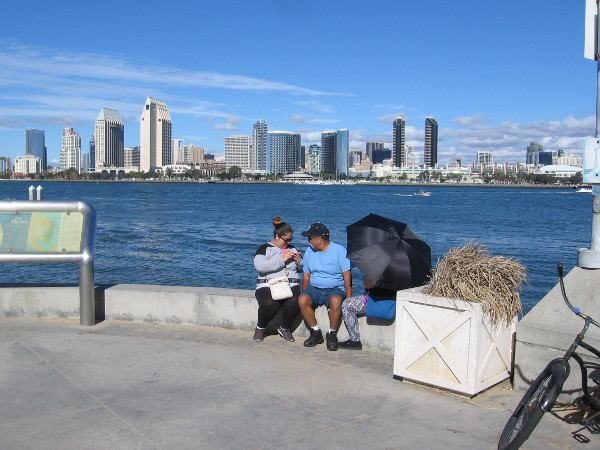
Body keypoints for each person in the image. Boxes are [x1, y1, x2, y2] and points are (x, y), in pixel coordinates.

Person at [298, 222, 352, 351]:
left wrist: (349, 297)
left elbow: (347, 277)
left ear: (319, 240)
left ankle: (332, 334)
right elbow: (306, 276)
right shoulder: (309, 251)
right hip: (314, 288)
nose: (308, 241)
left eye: (310, 238)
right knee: (302, 300)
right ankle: (315, 332)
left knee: (335, 301)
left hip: (335, 288)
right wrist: (305, 293)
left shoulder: (339, 251)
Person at [253, 216, 302, 342]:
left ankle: (285, 328)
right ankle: (260, 327)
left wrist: (299, 261)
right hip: (269, 283)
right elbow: (260, 266)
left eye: (290, 239)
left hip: (291, 284)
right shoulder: (265, 248)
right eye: (286, 240)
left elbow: (301, 269)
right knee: (270, 303)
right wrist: (282, 259)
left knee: (296, 301)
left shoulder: (292, 248)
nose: (288, 242)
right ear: (277, 236)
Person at [339, 278, 396, 350]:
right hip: (390, 306)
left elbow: (367, 284)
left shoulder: (375, 274)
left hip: (373, 303)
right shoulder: (397, 277)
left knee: (347, 305)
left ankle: (354, 340)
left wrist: (366, 278)